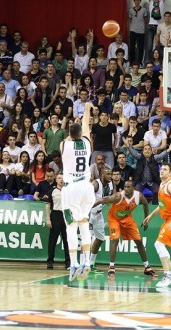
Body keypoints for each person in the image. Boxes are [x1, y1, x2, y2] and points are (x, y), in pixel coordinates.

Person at [94, 180, 157, 279]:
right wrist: (87, 209)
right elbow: (102, 200)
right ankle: (111, 267)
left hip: (127, 218)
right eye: (125, 187)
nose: (126, 189)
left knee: (139, 241)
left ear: (133, 188)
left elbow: (145, 204)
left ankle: (147, 268)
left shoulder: (139, 196)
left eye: (128, 187)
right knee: (115, 240)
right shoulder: (118, 196)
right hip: (114, 218)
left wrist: (146, 220)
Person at [61, 103, 95, 281]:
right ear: (80, 134)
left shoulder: (64, 145)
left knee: (71, 227)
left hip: (71, 188)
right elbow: (86, 127)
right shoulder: (87, 143)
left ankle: (73, 263)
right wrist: (87, 109)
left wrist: (73, 125)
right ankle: (87, 262)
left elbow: (72, 135)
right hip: (86, 188)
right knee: (84, 223)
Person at [143, 163, 171, 288]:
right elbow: (161, 205)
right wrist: (150, 216)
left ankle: (168, 275)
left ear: (170, 174)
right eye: (161, 169)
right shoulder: (162, 185)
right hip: (169, 218)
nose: (161, 171)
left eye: (165, 169)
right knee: (159, 244)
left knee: (158, 244)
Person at [89, 168, 114, 272]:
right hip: (89, 213)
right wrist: (100, 201)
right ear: (102, 174)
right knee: (88, 239)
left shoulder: (110, 185)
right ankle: (84, 264)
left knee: (100, 238)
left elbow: (110, 197)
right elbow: (86, 200)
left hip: (98, 214)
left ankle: (91, 263)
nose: (110, 176)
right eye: (108, 174)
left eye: (111, 174)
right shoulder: (96, 184)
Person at [45, 173, 70, 270]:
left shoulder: (68, 191)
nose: (61, 180)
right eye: (59, 178)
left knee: (67, 240)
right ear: (56, 180)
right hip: (56, 215)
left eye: (63, 178)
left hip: (67, 214)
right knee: (53, 240)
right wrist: (48, 219)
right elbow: (47, 205)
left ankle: (68, 262)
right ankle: (50, 261)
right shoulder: (52, 190)